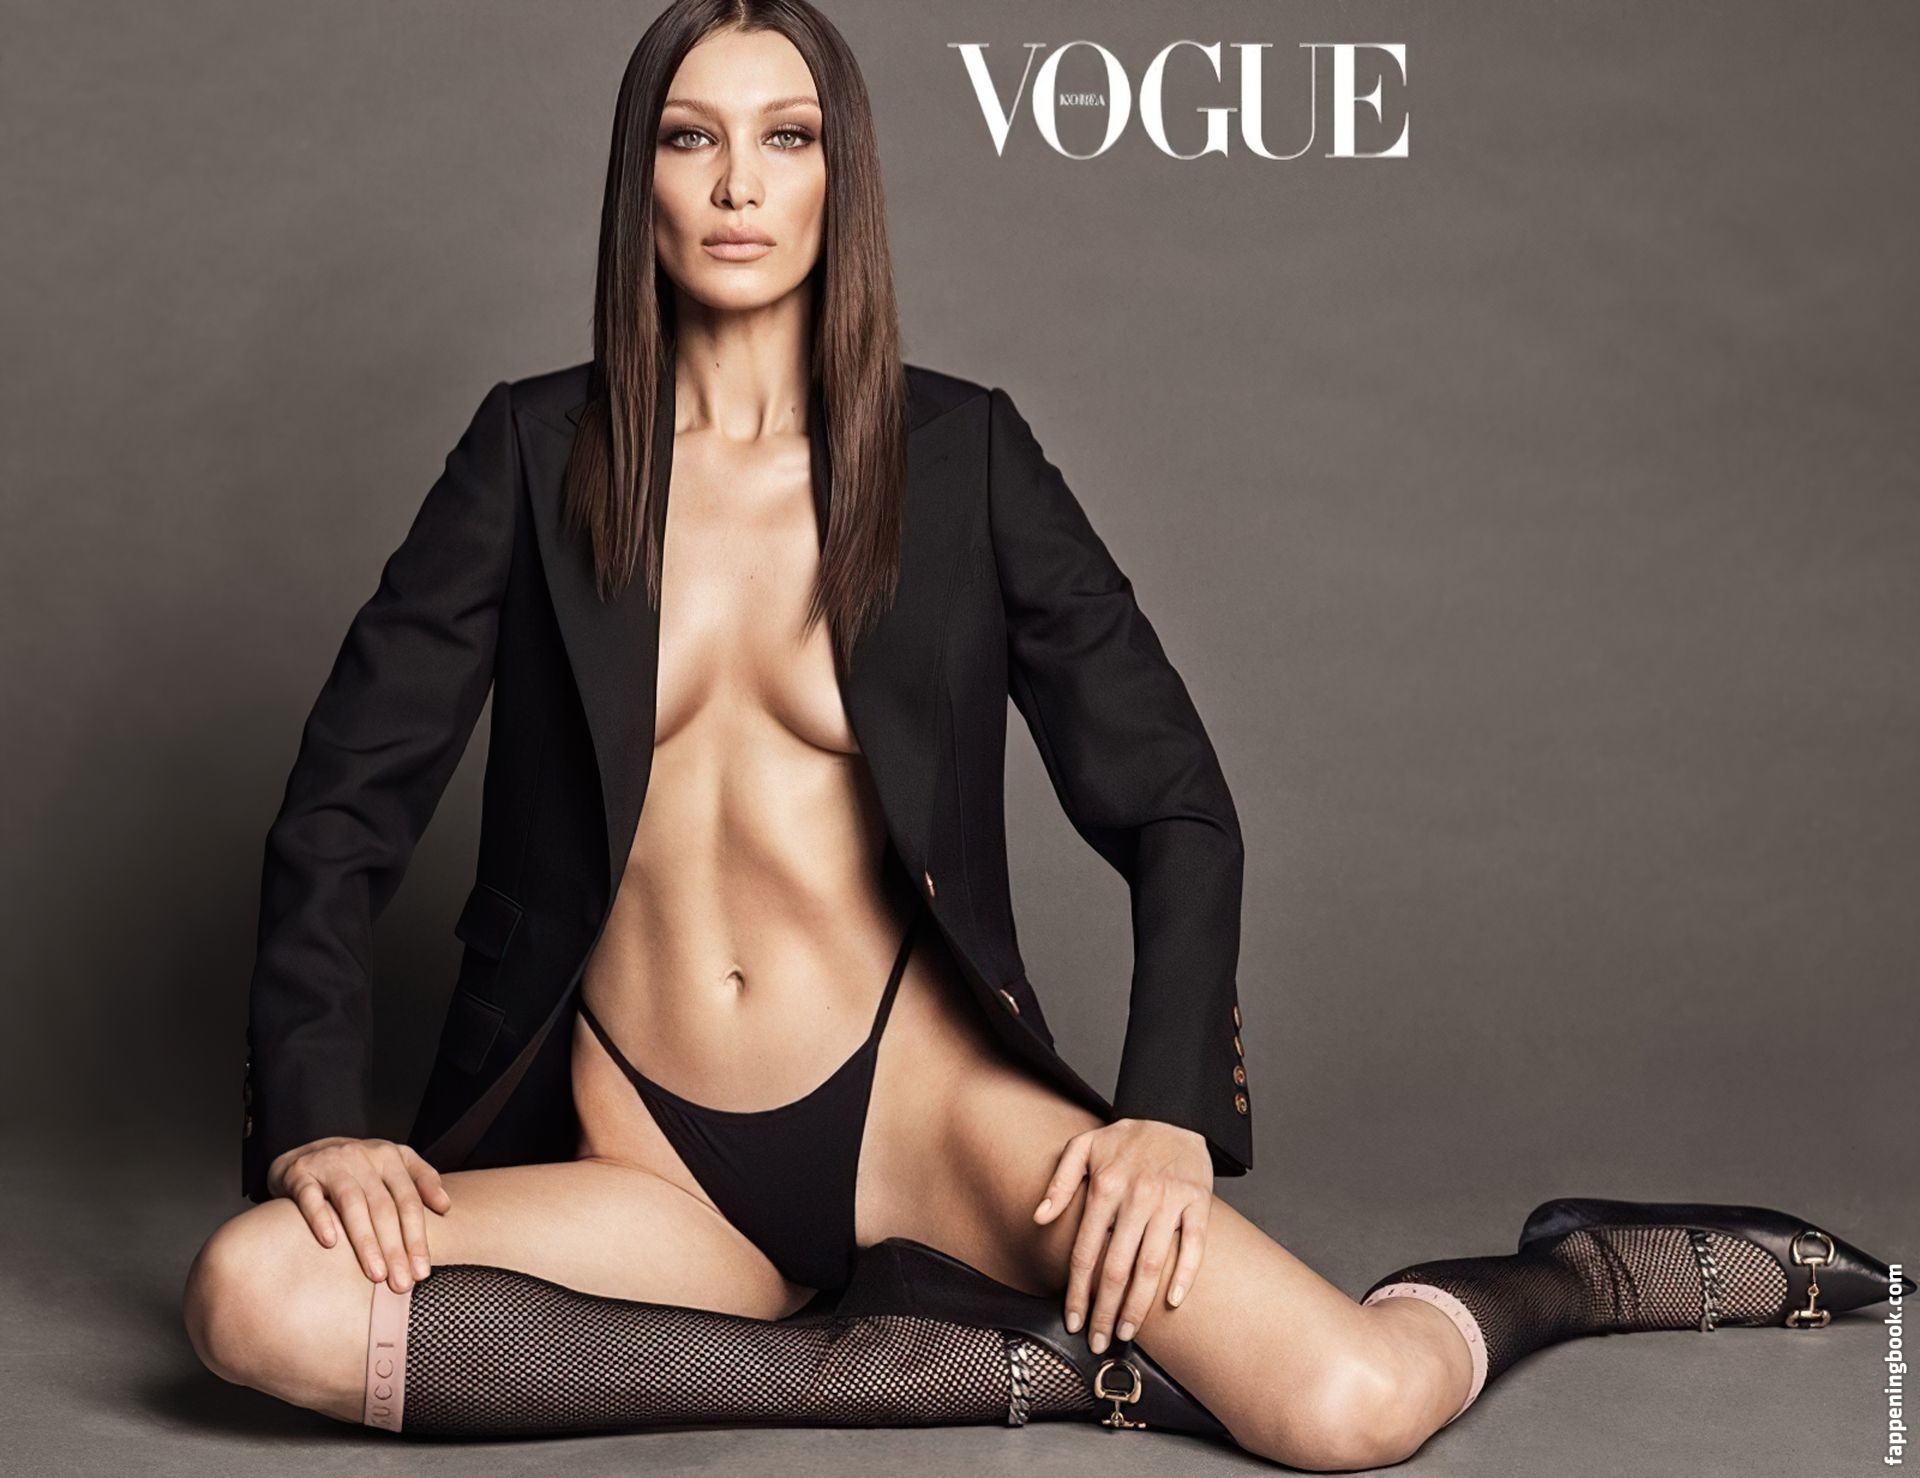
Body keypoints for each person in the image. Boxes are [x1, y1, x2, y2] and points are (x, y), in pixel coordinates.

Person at [181, 2, 1905, 1467]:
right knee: (254, 1295)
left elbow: (1175, 804)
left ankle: (1579, 1270)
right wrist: (321, 1118)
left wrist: (1164, 1111)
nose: (737, 185)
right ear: (639, 178)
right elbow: (343, 808)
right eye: (692, 139)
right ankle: (919, 1368)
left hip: (921, 1117)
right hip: (642, 1160)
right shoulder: (528, 458)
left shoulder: (966, 462)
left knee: (1347, 1406)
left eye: (786, 139)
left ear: (841, 180)